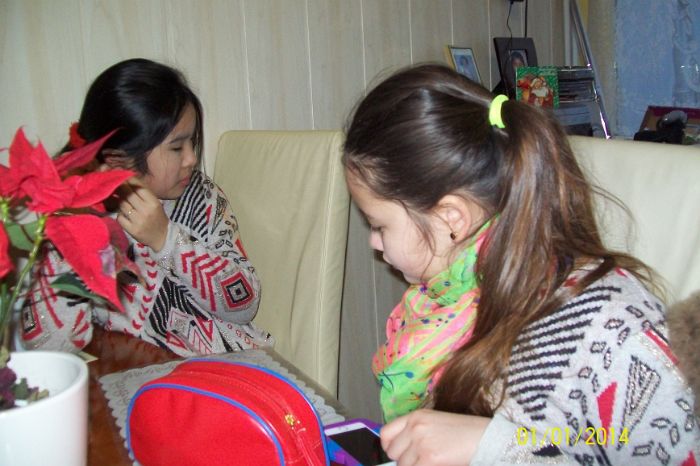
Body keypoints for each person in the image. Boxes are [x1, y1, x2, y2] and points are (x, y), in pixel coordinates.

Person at [342, 64, 699, 464]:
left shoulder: (615, 335)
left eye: (378, 225)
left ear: (452, 220)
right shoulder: (450, 303)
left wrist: (493, 447)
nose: (374, 243)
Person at [21, 58, 272, 356]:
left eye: (191, 142)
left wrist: (167, 240)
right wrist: (74, 236)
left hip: (225, 365)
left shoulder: (200, 196)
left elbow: (245, 303)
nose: (191, 159)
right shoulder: (75, 218)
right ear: (116, 157)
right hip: (138, 370)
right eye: (177, 148)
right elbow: (47, 347)